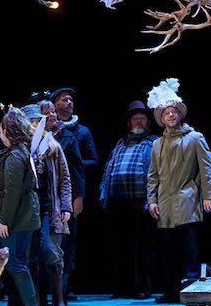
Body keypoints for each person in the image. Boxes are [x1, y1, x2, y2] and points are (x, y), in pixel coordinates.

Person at [146, 78, 211, 304]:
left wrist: (208, 195)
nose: (170, 115)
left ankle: (192, 288)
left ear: (179, 114)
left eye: (173, 111)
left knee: (190, 248)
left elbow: (207, 168)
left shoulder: (194, 138)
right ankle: (170, 290)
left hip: (187, 201)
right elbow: (152, 175)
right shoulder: (157, 144)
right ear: (161, 118)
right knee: (167, 250)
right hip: (165, 204)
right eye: (166, 113)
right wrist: (151, 200)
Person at [100, 101, 158, 300]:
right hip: (118, 202)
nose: (139, 121)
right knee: (120, 247)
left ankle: (142, 287)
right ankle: (121, 288)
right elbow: (108, 169)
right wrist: (104, 195)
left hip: (140, 201)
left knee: (142, 248)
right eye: (135, 118)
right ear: (129, 123)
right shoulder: (120, 143)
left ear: (148, 122)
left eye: (142, 118)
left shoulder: (153, 142)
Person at [23, 103, 73, 306]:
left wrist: (66, 206)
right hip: (28, 207)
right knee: (31, 255)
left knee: (51, 252)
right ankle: (36, 300)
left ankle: (59, 301)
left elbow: (65, 178)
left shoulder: (53, 145)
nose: (36, 125)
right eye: (32, 122)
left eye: (38, 121)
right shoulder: (21, 146)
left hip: (48, 206)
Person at [50, 87, 96, 299]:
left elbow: (90, 162)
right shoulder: (45, 130)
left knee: (68, 242)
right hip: (47, 191)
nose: (69, 102)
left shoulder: (81, 132)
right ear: (54, 105)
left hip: (69, 191)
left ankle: (65, 287)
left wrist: (78, 194)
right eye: (63, 99)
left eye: (71, 100)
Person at [0, 107, 41, 306]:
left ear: (8, 130)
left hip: (19, 217)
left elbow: (13, 190)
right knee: (18, 263)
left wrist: (4, 220)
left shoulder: (15, 155)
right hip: (26, 215)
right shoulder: (18, 152)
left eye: (1, 129)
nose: (0, 133)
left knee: (16, 264)